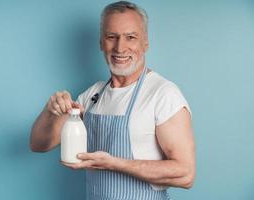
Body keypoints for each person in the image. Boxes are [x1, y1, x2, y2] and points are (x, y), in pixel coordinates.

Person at [30, 1, 195, 199]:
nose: (120, 47)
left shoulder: (163, 94)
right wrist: (50, 112)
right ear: (101, 42)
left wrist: (113, 163)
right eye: (111, 37)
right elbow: (39, 144)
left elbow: (185, 174)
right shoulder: (92, 95)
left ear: (145, 43)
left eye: (130, 37)